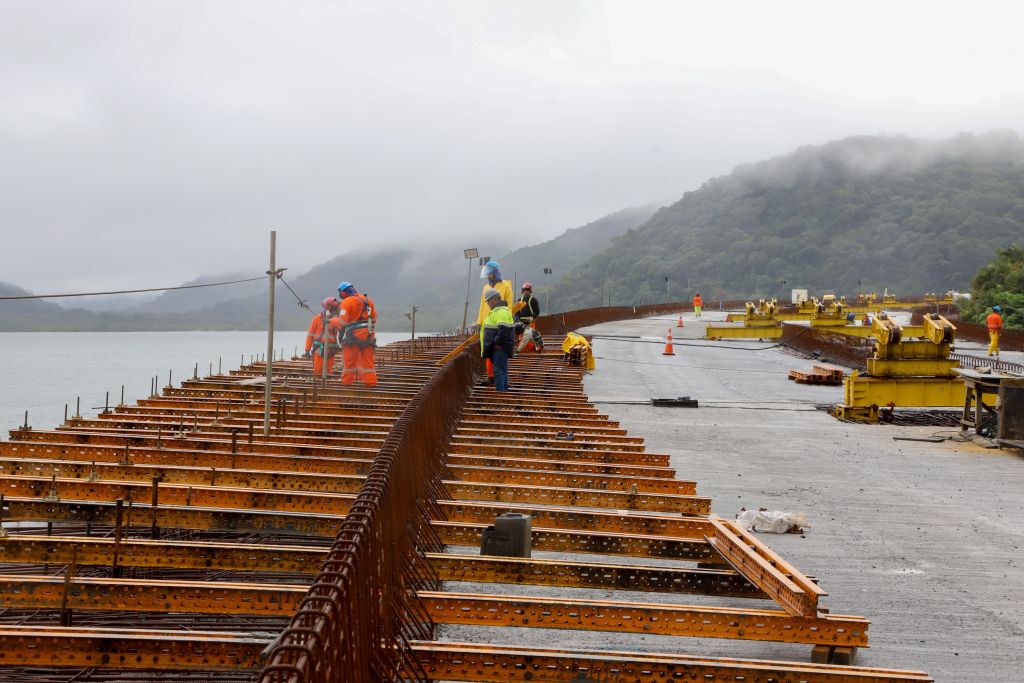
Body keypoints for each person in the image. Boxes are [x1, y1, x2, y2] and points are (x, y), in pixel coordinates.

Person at [476, 260, 514, 384]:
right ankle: (491, 376)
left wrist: (506, 323)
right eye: (487, 274)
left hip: (499, 324)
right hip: (488, 325)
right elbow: (482, 306)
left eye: (490, 274)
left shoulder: (505, 286)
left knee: (499, 351)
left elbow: (509, 307)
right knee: (488, 349)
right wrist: (479, 322)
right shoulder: (486, 288)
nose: (488, 276)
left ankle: (501, 378)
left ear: (495, 273)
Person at [337, 281, 378, 387]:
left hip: (353, 336)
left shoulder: (346, 302)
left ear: (344, 292)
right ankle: (371, 383)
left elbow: (342, 321)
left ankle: (346, 383)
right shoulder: (368, 300)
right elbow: (373, 318)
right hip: (368, 335)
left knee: (349, 362)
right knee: (368, 362)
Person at [480, 287, 515, 392]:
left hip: (499, 348)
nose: (488, 304)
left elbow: (503, 328)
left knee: (499, 371)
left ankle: (501, 394)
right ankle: (504, 391)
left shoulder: (501, 311)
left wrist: (496, 343)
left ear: (495, 299)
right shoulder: (498, 311)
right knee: (502, 370)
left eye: (489, 301)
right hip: (498, 347)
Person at [304, 297, 342, 377]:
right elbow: (310, 335)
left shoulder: (336, 320)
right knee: (318, 372)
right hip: (319, 350)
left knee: (329, 372)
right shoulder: (316, 319)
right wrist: (307, 349)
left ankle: (327, 387)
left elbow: (342, 330)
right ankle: (319, 386)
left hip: (331, 350)